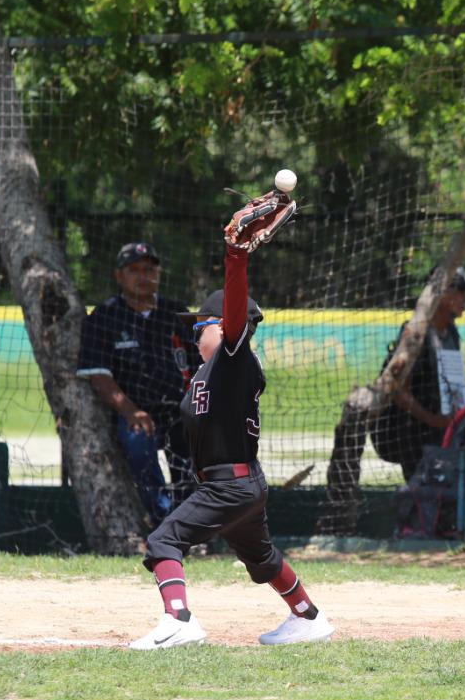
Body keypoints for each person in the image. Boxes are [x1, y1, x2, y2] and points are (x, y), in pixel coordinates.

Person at [128, 191, 332, 649]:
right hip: (239, 485)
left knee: (164, 541)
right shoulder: (212, 370)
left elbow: (236, 317)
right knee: (261, 557)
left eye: (201, 325)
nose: (194, 330)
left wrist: (235, 256)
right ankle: (308, 617)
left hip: (230, 485)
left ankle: (179, 620)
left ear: (223, 328)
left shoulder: (234, 359)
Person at [76, 240, 195, 525]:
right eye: (134, 270)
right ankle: (164, 520)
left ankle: (193, 527)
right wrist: (130, 411)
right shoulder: (105, 317)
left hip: (180, 411)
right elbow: (99, 375)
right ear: (119, 276)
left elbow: (201, 365)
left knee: (195, 459)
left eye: (149, 269)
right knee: (139, 448)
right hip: (136, 413)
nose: (143, 276)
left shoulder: (178, 314)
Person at [370, 269, 465, 481]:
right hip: (413, 435)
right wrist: (435, 420)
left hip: (442, 433)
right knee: (423, 497)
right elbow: (399, 392)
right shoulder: (417, 334)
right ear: (442, 294)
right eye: (459, 292)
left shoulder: (451, 332)